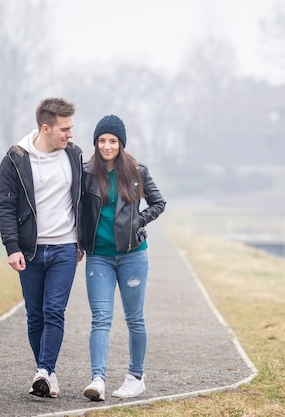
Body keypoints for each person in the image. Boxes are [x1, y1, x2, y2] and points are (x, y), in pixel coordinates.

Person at [0, 97, 83, 398]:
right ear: (46, 128)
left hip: (64, 248)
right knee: (35, 315)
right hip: (30, 251)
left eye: (71, 127)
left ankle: (43, 371)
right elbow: (5, 207)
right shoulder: (15, 158)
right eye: (65, 129)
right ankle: (48, 374)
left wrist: (82, 241)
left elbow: (84, 197)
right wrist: (12, 247)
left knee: (54, 310)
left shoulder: (73, 155)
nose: (70, 134)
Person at [79, 114, 166, 401]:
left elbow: (158, 202)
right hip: (99, 258)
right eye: (102, 140)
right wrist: (80, 242)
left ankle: (136, 377)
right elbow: (78, 210)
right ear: (96, 143)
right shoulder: (87, 172)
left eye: (112, 141)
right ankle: (98, 379)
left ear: (121, 143)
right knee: (100, 319)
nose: (106, 146)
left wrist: (138, 222)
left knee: (134, 318)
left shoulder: (137, 171)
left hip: (132, 256)